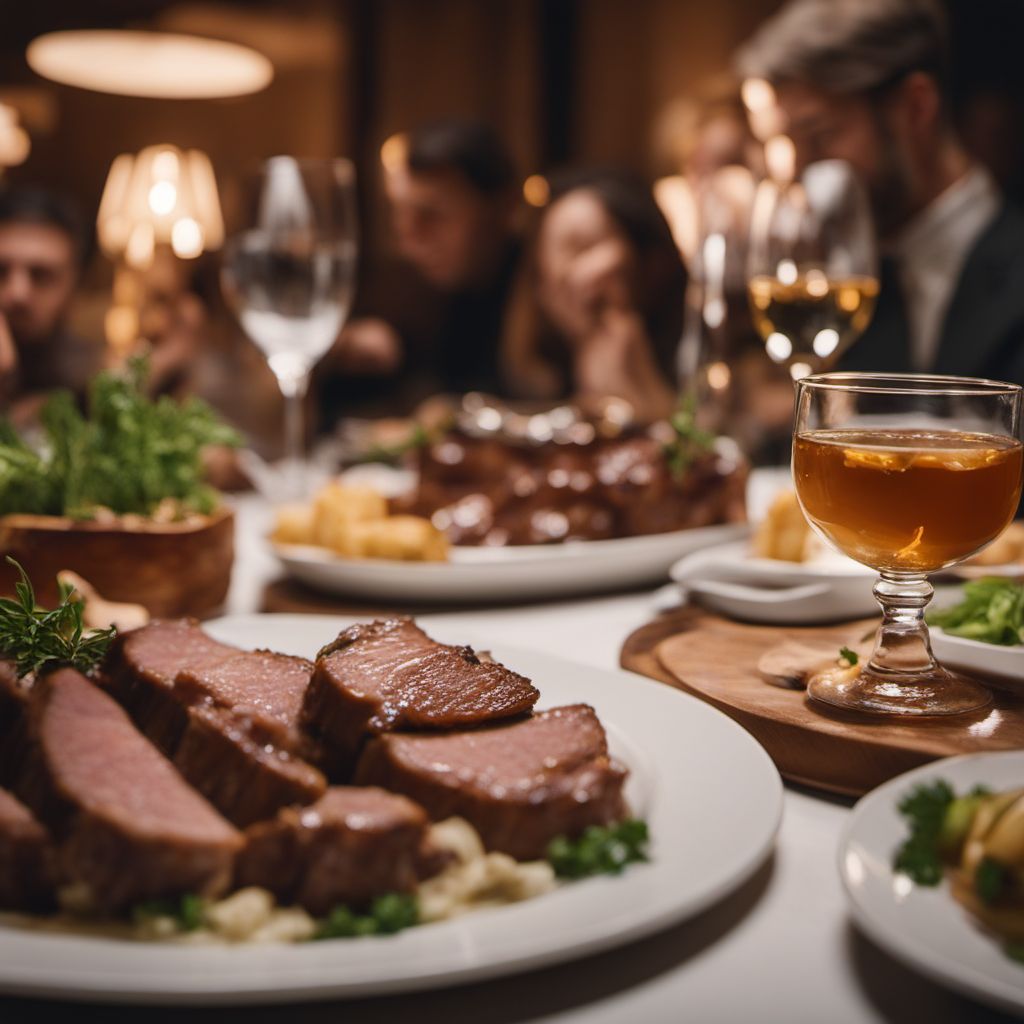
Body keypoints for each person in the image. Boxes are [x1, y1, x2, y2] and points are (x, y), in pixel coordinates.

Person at [735, 0, 1024, 384]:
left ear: (917, 107)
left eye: (821, 136)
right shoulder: (846, 282)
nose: (796, 171)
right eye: (781, 142)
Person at [506, 168, 685, 420]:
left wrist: (645, 390)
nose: (561, 276)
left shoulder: (700, 358)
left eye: (582, 246)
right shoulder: (538, 386)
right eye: (543, 267)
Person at [0, 187, 102, 422]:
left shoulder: (94, 377)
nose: (18, 293)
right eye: (1, 271)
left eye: (41, 275)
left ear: (76, 286)